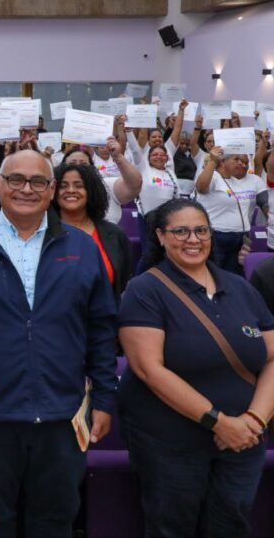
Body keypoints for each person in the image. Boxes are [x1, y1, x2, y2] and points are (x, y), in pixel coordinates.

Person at [0, 150, 118, 537]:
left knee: (55, 520)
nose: (26, 189)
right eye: (16, 180)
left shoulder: (82, 248)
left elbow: (101, 331)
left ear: (52, 190)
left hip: (62, 414)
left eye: (37, 182)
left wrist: (104, 398)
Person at [119, 199, 274, 536]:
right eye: (181, 231)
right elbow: (148, 369)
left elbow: (273, 357)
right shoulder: (144, 290)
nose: (193, 239)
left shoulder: (240, 287)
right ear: (160, 236)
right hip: (170, 442)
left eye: (201, 230)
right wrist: (219, 422)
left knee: (231, 524)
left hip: (243, 440)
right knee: (173, 526)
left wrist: (254, 420)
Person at [52, 163, 133, 301]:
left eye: (79, 186)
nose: (70, 190)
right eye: (63, 186)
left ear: (91, 191)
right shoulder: (42, 233)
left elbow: (122, 279)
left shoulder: (115, 235)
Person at [196, 146, 263, 275]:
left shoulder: (235, 181)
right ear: (222, 162)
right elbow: (201, 187)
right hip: (218, 237)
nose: (240, 163)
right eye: (236, 159)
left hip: (239, 238)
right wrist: (213, 161)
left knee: (233, 277)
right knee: (214, 275)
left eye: (242, 161)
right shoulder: (213, 177)